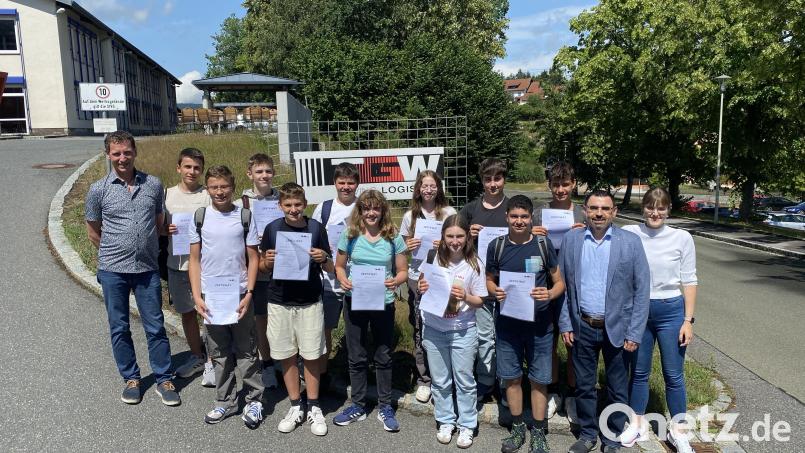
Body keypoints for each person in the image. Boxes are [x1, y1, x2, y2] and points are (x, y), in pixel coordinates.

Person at [85, 131, 179, 406]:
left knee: (155, 326)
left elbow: (158, 223)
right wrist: (116, 251)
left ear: (135, 152)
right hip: (113, 270)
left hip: (147, 269)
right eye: (116, 153)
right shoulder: (98, 189)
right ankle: (131, 379)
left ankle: (164, 378)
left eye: (127, 152)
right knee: (119, 327)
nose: (122, 158)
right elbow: (93, 232)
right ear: (108, 155)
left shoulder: (153, 184)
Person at [558, 190, 650, 453]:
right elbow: (563, 286)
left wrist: (635, 332)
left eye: (605, 209)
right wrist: (565, 323)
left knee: (617, 388)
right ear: (585, 211)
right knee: (584, 386)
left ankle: (612, 436)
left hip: (619, 329)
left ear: (614, 212)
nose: (599, 213)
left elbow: (642, 290)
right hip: (582, 326)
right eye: (594, 208)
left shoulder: (630, 242)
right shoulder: (572, 240)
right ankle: (587, 434)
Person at [619, 188, 697, 453]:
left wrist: (688, 320)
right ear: (643, 208)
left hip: (671, 311)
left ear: (668, 210)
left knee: (673, 375)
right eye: (650, 207)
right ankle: (637, 423)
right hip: (639, 311)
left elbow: (689, 280)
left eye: (661, 208)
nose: (655, 213)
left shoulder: (682, 238)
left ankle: (678, 431)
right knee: (639, 372)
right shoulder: (630, 232)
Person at [487, 195, 566, 453]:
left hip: (540, 326)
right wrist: (495, 291)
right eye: (514, 216)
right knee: (511, 379)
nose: (519, 221)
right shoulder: (497, 246)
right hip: (508, 326)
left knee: (539, 380)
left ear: (531, 218)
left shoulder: (542, 244)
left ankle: (539, 432)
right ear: (507, 217)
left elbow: (559, 283)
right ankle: (518, 427)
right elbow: (489, 280)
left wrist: (549, 294)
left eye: (524, 217)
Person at [188, 165, 264, 428]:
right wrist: (197, 296)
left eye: (224, 187)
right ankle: (225, 400)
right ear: (207, 189)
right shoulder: (200, 217)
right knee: (218, 351)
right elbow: (194, 260)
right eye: (214, 187)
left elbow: (253, 258)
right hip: (211, 295)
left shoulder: (244, 216)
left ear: (232, 187)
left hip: (240, 292)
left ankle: (254, 400)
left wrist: (250, 292)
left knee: (246, 349)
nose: (219, 192)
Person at [259, 182, 333, 436]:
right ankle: (294, 405)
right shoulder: (272, 229)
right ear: (280, 206)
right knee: (286, 355)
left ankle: (314, 405)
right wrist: (267, 262)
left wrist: (324, 258)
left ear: (305, 204)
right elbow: (262, 266)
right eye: (288, 205)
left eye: (298, 204)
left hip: (310, 301)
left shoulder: (315, 228)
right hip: (279, 301)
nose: (293, 209)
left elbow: (330, 267)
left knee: (312, 355)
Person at [333, 190, 408, 432]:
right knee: (356, 355)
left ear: (383, 210)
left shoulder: (393, 236)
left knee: (383, 355)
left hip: (383, 302)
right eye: (366, 208)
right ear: (360, 211)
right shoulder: (350, 234)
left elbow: (403, 271)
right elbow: (339, 266)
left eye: (376, 208)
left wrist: (395, 281)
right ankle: (358, 404)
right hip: (355, 300)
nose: (371, 213)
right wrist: (343, 279)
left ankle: (385, 406)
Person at [417, 215, 486, 448]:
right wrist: (422, 286)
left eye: (459, 236)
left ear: (467, 237)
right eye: (450, 236)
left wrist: (465, 296)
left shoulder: (475, 263)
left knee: (465, 381)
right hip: (434, 329)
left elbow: (480, 301)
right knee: (440, 381)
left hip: (462, 330)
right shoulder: (432, 257)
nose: (455, 241)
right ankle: (445, 420)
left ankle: (467, 424)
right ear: (443, 237)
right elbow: (422, 283)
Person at [531, 162, 586, 421]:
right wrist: (531, 235)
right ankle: (553, 390)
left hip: (576, 287)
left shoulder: (583, 214)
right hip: (546, 284)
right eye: (556, 185)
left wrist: (585, 233)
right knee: (548, 341)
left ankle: (573, 394)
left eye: (565, 184)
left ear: (573, 184)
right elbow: (526, 253)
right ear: (549, 186)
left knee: (574, 342)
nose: (561, 189)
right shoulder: (538, 214)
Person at [399, 170, 457, 403]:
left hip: (444, 275)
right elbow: (402, 247)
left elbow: (460, 242)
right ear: (418, 189)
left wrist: (445, 243)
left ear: (439, 188)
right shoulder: (409, 216)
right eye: (425, 186)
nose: (429, 190)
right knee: (420, 327)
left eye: (433, 185)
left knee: (448, 324)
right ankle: (425, 379)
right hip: (418, 277)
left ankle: (448, 376)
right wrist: (409, 245)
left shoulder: (450, 213)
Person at [458, 157, 510, 401]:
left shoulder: (512, 208)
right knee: (484, 337)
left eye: (497, 178)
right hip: (479, 285)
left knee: (506, 338)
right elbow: (454, 243)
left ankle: (507, 383)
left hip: (508, 285)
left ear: (504, 179)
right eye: (488, 179)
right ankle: (485, 380)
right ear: (481, 181)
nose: (493, 184)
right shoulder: (470, 210)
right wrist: (468, 235)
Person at [163, 148, 215, 386]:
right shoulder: (167, 195)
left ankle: (213, 361)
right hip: (177, 264)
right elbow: (159, 227)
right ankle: (197, 356)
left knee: (209, 314)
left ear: (201, 171)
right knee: (187, 313)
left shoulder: (208, 195)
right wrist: (165, 230)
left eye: (196, 168)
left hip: (206, 266)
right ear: (178, 168)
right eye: (187, 166)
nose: (191, 171)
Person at [311, 162, 360, 392]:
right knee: (325, 330)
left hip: (358, 282)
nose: (346, 187)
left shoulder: (364, 207)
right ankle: (322, 375)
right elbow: (313, 237)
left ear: (357, 184)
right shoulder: (324, 208)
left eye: (350, 183)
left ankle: (357, 376)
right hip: (328, 281)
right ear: (335, 183)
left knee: (358, 332)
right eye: (342, 182)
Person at [235, 153, 280, 389]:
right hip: (257, 270)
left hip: (283, 269)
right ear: (249, 174)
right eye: (259, 171)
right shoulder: (241, 204)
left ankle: (284, 360)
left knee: (281, 316)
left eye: (268, 171)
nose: (264, 175)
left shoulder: (282, 199)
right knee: (261, 318)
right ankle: (267, 362)